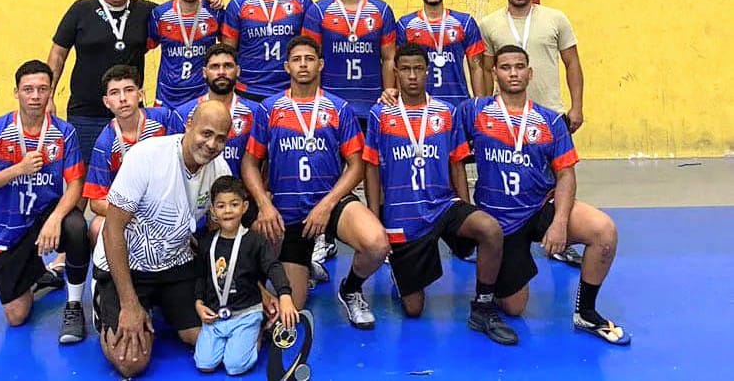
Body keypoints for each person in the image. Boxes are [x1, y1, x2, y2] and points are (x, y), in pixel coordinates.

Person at [459, 45, 630, 345]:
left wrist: (560, 222)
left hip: (539, 207)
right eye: (506, 67)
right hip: (498, 222)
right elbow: (442, 141)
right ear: (495, 73)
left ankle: (586, 312)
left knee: (604, 231)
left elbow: (566, 174)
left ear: (530, 73)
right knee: (514, 307)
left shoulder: (550, 121)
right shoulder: (474, 111)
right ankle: (504, 270)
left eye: (519, 67)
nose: (513, 73)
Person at [364, 44, 517, 345]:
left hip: (442, 205)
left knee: (488, 228)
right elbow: (370, 167)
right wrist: (373, 216)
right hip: (402, 215)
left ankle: (483, 305)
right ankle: (402, 272)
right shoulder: (380, 113)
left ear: (428, 72)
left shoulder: (446, 112)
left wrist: (466, 205)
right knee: (414, 309)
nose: (411, 76)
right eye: (405, 69)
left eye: (418, 69)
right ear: (395, 72)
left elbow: (456, 162)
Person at [242, 36, 390, 329]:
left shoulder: (338, 108)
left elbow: (357, 164)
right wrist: (264, 205)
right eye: (297, 60)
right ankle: (305, 262)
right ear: (287, 66)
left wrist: (328, 204)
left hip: (329, 203)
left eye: (309, 59)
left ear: (320, 64)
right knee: (292, 309)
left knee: (377, 244)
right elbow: (249, 162)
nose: (303, 65)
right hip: (286, 212)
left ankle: (350, 289)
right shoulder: (269, 109)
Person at [93, 100, 232, 378]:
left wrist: (258, 289)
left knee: (210, 342)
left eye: (220, 138)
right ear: (188, 125)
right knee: (131, 363)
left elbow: (226, 237)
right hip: (128, 266)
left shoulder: (220, 171)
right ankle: (106, 304)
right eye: (206, 133)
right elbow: (112, 229)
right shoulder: (146, 156)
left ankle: (164, 307)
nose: (211, 144)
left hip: (175, 264)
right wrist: (130, 305)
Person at [0, 60, 90, 343]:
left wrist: (56, 219)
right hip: (10, 230)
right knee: (16, 316)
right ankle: (39, 275)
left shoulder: (64, 132)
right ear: (16, 92)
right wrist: (17, 169)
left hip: (47, 217)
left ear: (50, 94)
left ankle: (73, 305)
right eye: (28, 89)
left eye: (42, 89)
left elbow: (75, 184)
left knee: (76, 227)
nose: (35, 96)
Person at [479, 0, 585, 265]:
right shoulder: (490, 24)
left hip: (549, 112)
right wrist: (486, 106)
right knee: (506, 176)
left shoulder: (555, 18)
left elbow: (572, 64)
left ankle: (558, 236)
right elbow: (487, 70)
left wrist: (576, 106)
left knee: (559, 178)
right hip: (506, 117)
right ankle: (501, 236)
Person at [47, 0, 157, 166]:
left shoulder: (145, 11)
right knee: (81, 177)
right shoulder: (81, 10)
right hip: (86, 113)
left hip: (129, 113)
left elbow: (178, 15)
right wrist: (48, 96)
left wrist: (207, 1)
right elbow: (57, 54)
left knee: (132, 172)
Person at [194, 176, 298, 375]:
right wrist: (199, 303)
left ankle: (256, 333)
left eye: (234, 204)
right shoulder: (207, 244)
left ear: (244, 207)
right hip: (216, 316)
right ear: (213, 211)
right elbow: (202, 276)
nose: (228, 211)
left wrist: (284, 295)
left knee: (235, 367)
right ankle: (235, 341)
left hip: (246, 313)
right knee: (204, 364)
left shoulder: (255, 241)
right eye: (221, 206)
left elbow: (273, 267)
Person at [302, 0, 397, 131]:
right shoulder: (318, 11)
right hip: (330, 102)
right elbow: (311, 59)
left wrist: (388, 91)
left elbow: (389, 57)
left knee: (370, 159)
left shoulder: (381, 9)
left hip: (371, 103)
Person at [82, 65, 170, 245]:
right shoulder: (105, 143)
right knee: (97, 226)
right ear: (107, 102)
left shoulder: (164, 121)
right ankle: (109, 273)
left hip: (166, 204)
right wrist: (135, 213)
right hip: (127, 211)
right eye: (115, 93)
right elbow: (97, 202)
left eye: (129, 90)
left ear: (140, 95)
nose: (122, 98)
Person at [222, 0, 313, 102]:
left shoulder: (301, 0)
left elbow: (311, 49)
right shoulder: (238, 3)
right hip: (248, 89)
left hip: (289, 88)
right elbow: (228, 50)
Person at [394, 0, 486, 107]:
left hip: (458, 101)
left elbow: (476, 67)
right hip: (421, 104)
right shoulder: (405, 24)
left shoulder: (465, 22)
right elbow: (400, 68)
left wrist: (479, 104)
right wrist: (403, 103)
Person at [168, 43, 258, 179]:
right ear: (204, 72)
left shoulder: (255, 112)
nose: (221, 72)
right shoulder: (182, 114)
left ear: (238, 71)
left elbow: (263, 161)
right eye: (215, 67)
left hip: (241, 196)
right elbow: (174, 161)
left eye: (228, 66)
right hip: (194, 196)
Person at [148, 0, 223, 109]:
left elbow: (228, 48)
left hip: (202, 94)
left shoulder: (215, 13)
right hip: (167, 96)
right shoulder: (160, 14)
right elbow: (144, 47)